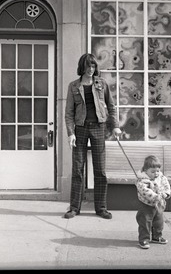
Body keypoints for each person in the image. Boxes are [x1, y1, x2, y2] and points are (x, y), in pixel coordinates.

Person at [64, 53, 121, 220]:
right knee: (77, 170)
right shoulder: (73, 86)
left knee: (100, 171)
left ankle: (101, 208)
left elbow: (111, 106)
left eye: (93, 66)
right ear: (82, 67)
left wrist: (115, 126)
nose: (91, 69)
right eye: (88, 66)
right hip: (80, 129)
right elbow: (69, 113)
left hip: (99, 127)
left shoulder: (101, 84)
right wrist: (70, 133)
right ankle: (74, 208)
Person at [135, 155, 171, 249]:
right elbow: (145, 192)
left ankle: (157, 236)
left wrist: (166, 193)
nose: (156, 173)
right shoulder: (142, 180)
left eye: (158, 171)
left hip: (158, 204)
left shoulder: (161, 177)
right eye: (153, 171)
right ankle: (144, 239)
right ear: (145, 170)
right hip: (146, 205)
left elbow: (166, 185)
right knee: (145, 222)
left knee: (159, 221)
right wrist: (156, 196)